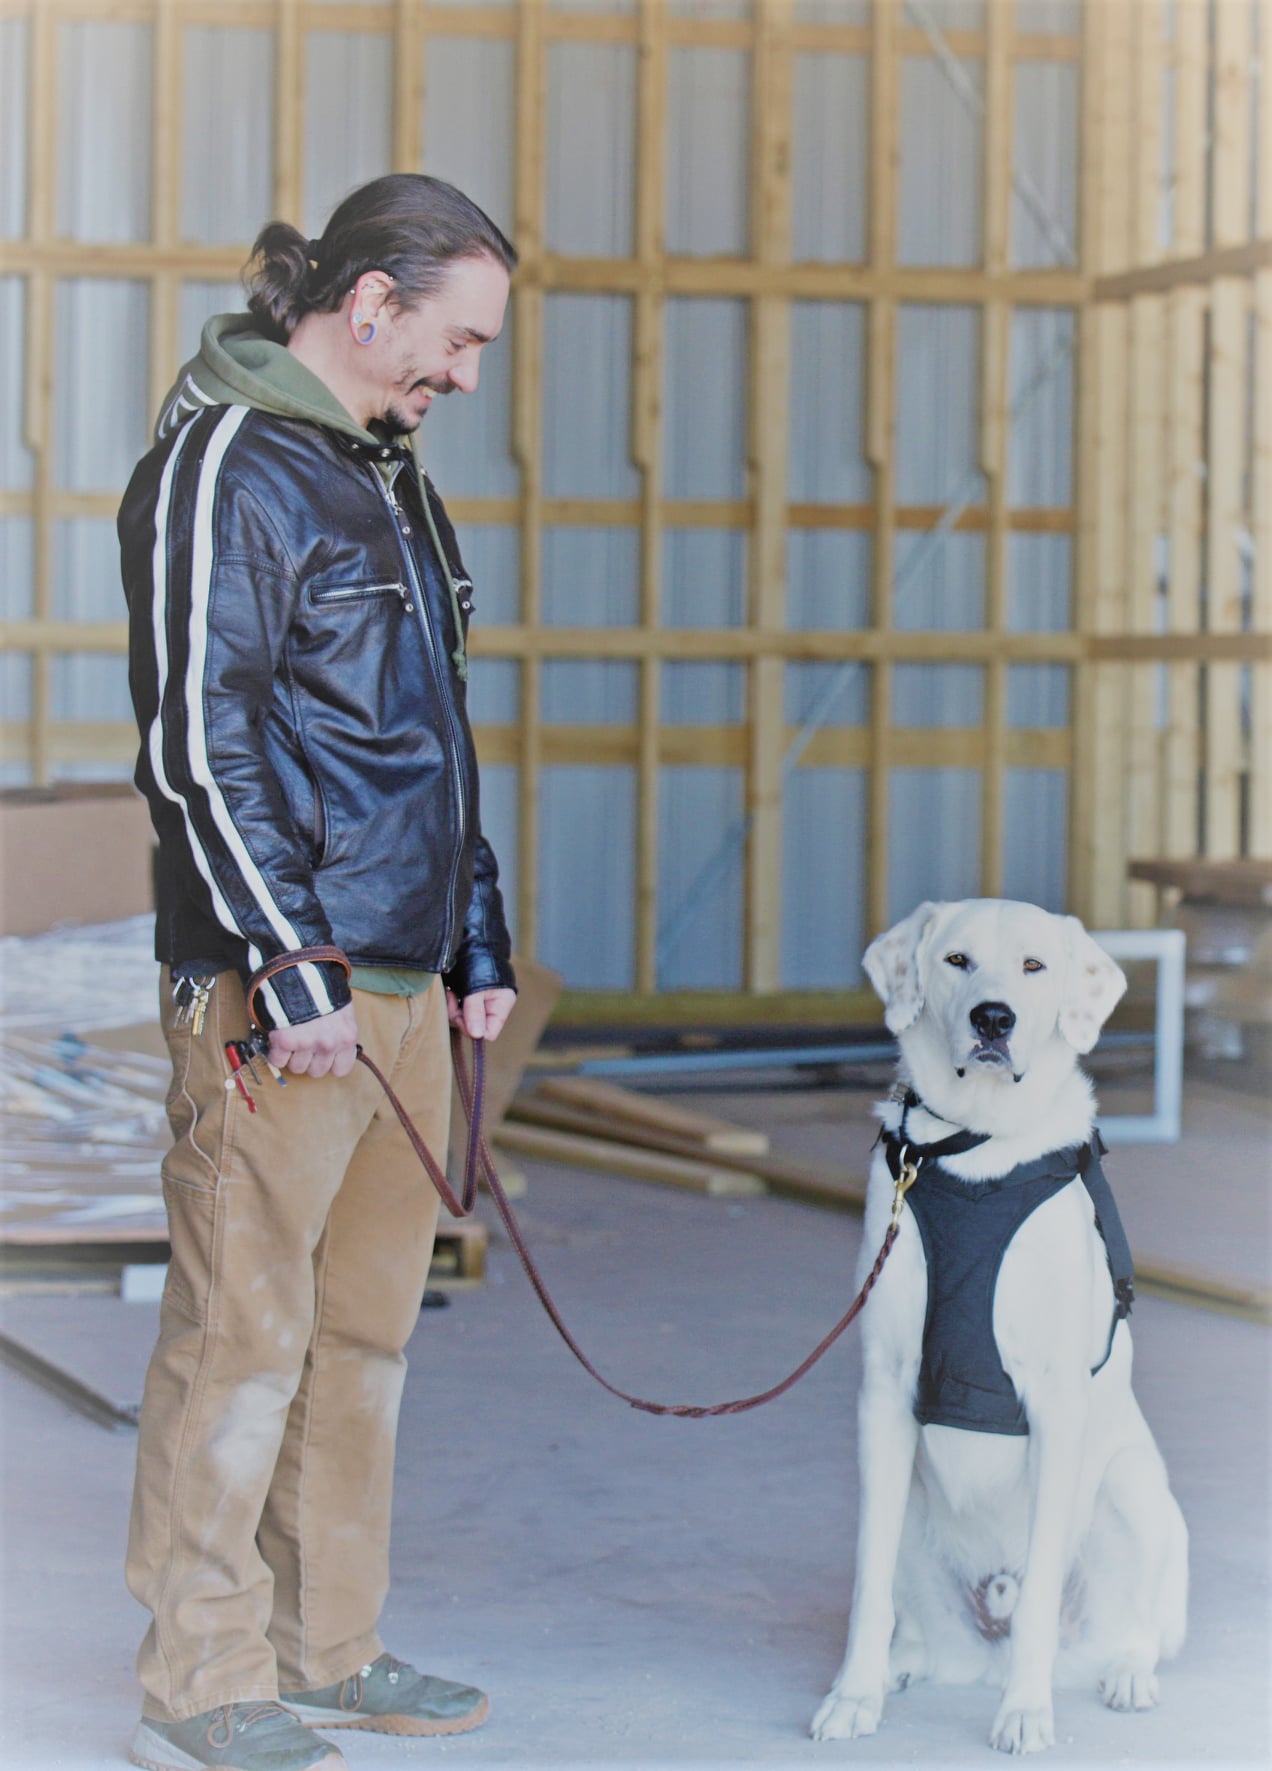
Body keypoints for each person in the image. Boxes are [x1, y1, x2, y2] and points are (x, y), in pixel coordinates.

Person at [118, 174, 518, 1771]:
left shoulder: (393, 481)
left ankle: (326, 1646)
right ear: (369, 303)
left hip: (404, 987)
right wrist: (289, 970)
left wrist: (472, 936)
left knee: (364, 1340)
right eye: (458, 339)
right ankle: (200, 1682)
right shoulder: (224, 466)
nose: (465, 377)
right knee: (240, 1336)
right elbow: (195, 746)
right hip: (285, 1001)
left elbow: (432, 745)